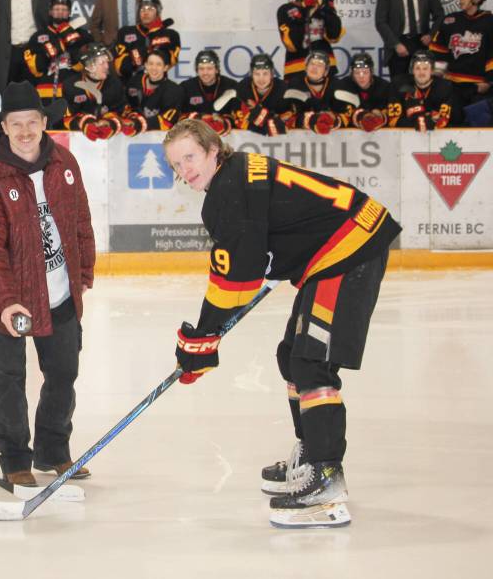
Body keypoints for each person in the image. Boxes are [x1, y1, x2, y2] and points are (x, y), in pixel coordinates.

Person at [163, 118, 400, 529]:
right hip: (334, 250)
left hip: (348, 250)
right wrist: (205, 338)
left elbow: (234, 281)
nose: (185, 170)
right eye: (176, 164)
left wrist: (200, 341)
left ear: (213, 149)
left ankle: (326, 475)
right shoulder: (235, 176)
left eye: (190, 156)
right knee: (291, 354)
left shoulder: (228, 192)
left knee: (312, 362)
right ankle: (311, 453)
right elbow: (258, 255)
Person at [0, 81, 96, 486]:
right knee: (8, 378)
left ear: (44, 122)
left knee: (63, 372)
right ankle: (15, 458)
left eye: (32, 122)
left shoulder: (64, 163)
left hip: (59, 291)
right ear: (3, 127)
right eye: (15, 123)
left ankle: (53, 451)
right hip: (9, 301)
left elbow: (80, 222)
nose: (25, 131)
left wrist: (84, 272)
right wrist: (5, 301)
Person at [375, 0, 443, 78]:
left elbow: (439, 15)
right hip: (398, 44)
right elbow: (380, 21)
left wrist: (431, 34)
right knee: (399, 88)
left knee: (423, 85)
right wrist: (396, 44)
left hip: (421, 43)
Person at [428, 0, 492, 108]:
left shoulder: (489, 22)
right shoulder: (450, 20)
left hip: (477, 86)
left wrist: (489, 82)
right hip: (451, 85)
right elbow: (438, 51)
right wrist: (438, 80)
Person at [23, 0, 93, 103]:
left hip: (76, 87)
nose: (60, 12)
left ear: (69, 12)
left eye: (64, 9)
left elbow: (90, 65)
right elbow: (35, 70)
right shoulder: (37, 37)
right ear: (50, 12)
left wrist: (73, 45)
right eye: (56, 9)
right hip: (46, 90)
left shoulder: (83, 35)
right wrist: (50, 50)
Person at [62, 42, 140, 139]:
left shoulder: (114, 83)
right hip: (79, 142)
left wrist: (113, 123)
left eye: (107, 61)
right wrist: (85, 124)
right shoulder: (70, 85)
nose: (107, 66)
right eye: (102, 63)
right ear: (89, 66)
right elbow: (68, 118)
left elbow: (123, 111)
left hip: (111, 142)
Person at [277, 0, 343, 79]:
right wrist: (307, 10)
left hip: (326, 67)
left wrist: (327, 8)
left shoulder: (322, 6)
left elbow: (334, 35)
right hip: (297, 69)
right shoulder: (286, 9)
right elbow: (293, 44)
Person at [216, 53, 294, 136]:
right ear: (251, 74)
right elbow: (237, 117)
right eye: (257, 74)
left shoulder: (283, 88)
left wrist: (257, 111)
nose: (261, 78)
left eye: (265, 73)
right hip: (249, 139)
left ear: (272, 74)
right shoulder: (243, 87)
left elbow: (283, 123)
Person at [285, 50, 358, 133]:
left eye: (320, 65)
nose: (314, 68)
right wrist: (313, 120)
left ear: (326, 71)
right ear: (306, 67)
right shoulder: (295, 84)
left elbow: (346, 115)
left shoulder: (337, 85)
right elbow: (291, 117)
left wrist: (333, 119)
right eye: (312, 64)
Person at [113, 0, 181, 82]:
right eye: (142, 9)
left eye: (150, 9)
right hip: (131, 83)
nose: (145, 13)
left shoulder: (171, 34)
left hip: (159, 83)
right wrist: (142, 53)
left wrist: (154, 37)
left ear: (158, 12)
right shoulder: (125, 32)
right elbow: (121, 67)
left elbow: (168, 62)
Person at [389, 50, 456, 129]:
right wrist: (424, 122)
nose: (421, 72)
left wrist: (416, 121)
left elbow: (443, 120)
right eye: (417, 68)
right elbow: (393, 120)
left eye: (425, 68)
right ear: (412, 70)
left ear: (432, 71)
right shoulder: (398, 85)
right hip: (406, 137)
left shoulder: (444, 87)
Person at [179, 49, 239, 135]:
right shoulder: (186, 87)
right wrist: (198, 118)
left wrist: (224, 122)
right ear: (197, 70)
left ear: (217, 70)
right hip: (195, 137)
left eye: (209, 68)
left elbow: (238, 115)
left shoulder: (231, 86)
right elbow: (179, 116)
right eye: (201, 69)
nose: (205, 72)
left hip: (226, 139)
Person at [125, 49, 184, 130]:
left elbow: (167, 122)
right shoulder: (134, 82)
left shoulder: (174, 90)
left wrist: (139, 124)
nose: (154, 68)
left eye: (159, 64)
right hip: (132, 134)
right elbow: (126, 106)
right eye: (151, 64)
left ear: (166, 67)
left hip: (160, 138)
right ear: (145, 65)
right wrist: (131, 117)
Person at [338, 53, 393, 132]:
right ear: (352, 73)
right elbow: (343, 113)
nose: (361, 76)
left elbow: (391, 114)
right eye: (357, 73)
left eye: (365, 72)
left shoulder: (384, 87)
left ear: (371, 72)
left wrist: (379, 115)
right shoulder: (343, 86)